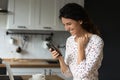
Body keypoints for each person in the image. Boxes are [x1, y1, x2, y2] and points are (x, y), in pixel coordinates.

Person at [49, 3, 104, 80]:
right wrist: (60, 58)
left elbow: (82, 75)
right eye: (64, 25)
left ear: (80, 21)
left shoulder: (96, 41)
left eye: (69, 24)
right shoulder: (70, 40)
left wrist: (81, 48)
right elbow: (68, 75)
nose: (66, 29)